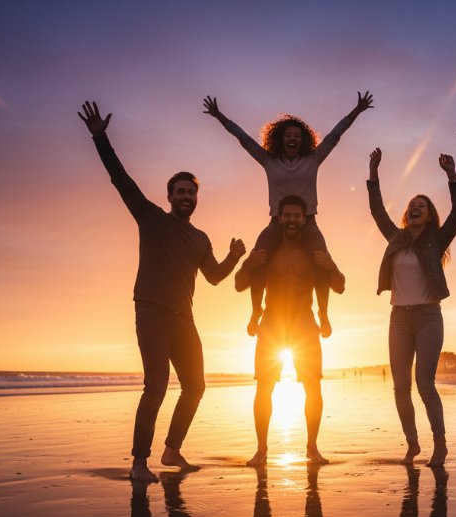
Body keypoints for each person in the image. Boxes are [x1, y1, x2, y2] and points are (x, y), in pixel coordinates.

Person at [79, 101, 246, 482]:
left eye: (192, 192)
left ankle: (172, 450)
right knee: (155, 387)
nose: (187, 196)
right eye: (180, 191)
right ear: (169, 196)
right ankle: (139, 461)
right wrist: (100, 138)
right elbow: (120, 180)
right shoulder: (151, 217)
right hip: (152, 311)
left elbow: (215, 277)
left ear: (196, 198)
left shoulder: (201, 238)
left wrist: (234, 257)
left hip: (183, 318)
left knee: (196, 386)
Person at [203, 92, 373, 339]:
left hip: (309, 222)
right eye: (288, 135)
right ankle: (255, 310)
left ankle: (323, 312)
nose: (292, 138)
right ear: (280, 140)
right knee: (258, 256)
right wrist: (220, 117)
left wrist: (355, 111)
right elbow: (244, 140)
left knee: (321, 259)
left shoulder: (313, 159)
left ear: (302, 139)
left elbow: (335, 137)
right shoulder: (268, 160)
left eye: (296, 135)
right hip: (277, 222)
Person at [368, 148, 456, 466]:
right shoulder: (395, 238)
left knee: (424, 383)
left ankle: (440, 444)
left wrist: (452, 175)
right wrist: (373, 171)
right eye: (412, 205)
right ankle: (412, 443)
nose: (414, 208)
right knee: (400, 387)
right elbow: (377, 211)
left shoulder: (436, 240)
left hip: (427, 316)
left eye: (421, 206)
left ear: (429, 216)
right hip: (398, 318)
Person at [235, 195, 345, 466]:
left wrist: (332, 266)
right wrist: (248, 263)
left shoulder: (313, 255)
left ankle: (312, 447)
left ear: (304, 220)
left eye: (297, 216)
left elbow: (340, 285)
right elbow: (239, 285)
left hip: (305, 326)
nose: (292, 220)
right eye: (288, 216)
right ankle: (261, 450)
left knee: (313, 388)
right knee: (264, 388)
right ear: (279, 218)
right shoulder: (267, 253)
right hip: (271, 326)